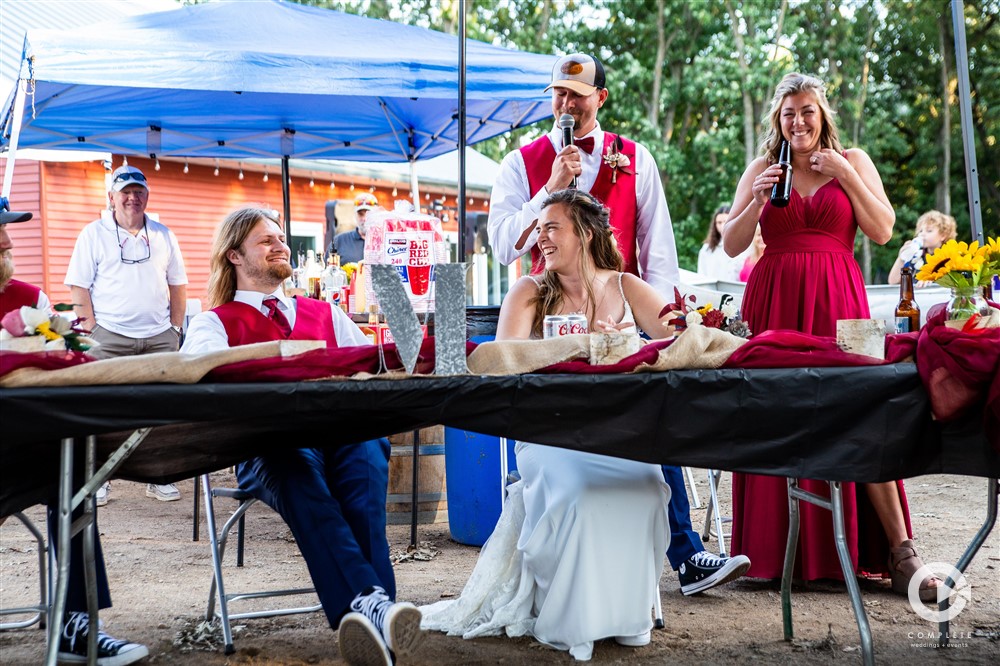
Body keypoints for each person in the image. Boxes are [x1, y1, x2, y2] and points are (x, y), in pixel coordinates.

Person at [487, 52, 749, 595]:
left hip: (617, 311)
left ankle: (686, 557)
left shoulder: (635, 157)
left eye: (577, 97)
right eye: (558, 95)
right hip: (550, 320)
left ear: (599, 100)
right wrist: (549, 188)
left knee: (654, 405)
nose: (565, 105)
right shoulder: (521, 161)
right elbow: (499, 241)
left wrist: (658, 319)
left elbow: (658, 248)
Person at [423, 189, 675, 660]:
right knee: (578, 492)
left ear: (585, 233)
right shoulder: (529, 291)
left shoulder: (628, 287)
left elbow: (677, 338)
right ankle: (574, 622)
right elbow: (502, 363)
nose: (540, 239)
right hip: (549, 432)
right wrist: (574, 347)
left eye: (551, 228)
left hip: (617, 432)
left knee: (646, 486)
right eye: (538, 231)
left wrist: (631, 346)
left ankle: (628, 616)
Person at [723, 72, 940, 600]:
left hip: (839, 300)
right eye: (788, 113)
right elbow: (731, 244)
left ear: (823, 117)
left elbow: (884, 229)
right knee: (776, 412)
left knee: (860, 410)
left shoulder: (855, 161)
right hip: (774, 300)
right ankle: (779, 551)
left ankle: (899, 551)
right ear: (778, 119)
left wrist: (843, 170)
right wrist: (753, 201)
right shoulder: (763, 168)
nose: (797, 121)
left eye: (807, 112)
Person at [180, 206, 423, 666]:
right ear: (234, 255)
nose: (281, 245)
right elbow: (205, 381)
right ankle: (375, 604)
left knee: (367, 454)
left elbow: (371, 364)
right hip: (265, 443)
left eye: (281, 237)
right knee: (295, 472)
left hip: (339, 434)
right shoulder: (214, 324)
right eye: (265, 240)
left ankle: (368, 609)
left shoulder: (326, 314)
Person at [0, 208, 149, 665]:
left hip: (18, 452)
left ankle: (76, 622)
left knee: (73, 478)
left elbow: (65, 363)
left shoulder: (31, 301)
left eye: (6, 232)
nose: (8, 244)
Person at [64, 165, 189, 504]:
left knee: (161, 410)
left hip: (159, 336)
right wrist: (90, 329)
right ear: (111, 198)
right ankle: (100, 478)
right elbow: (79, 286)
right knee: (101, 408)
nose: (132, 198)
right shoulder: (93, 233)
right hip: (109, 336)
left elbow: (178, 286)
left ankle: (160, 474)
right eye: (126, 192)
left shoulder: (164, 234)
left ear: (147, 196)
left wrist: (175, 329)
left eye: (139, 192)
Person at [887, 209, 958, 285]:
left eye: (929, 231)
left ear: (943, 235)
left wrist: (929, 280)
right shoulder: (917, 255)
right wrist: (901, 257)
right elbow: (893, 282)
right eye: (920, 231)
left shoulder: (948, 257)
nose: (922, 234)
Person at [697, 204, 744, 281]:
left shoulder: (744, 245)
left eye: (725, 221)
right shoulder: (706, 249)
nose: (722, 226)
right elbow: (701, 275)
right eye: (719, 222)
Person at [333, 193, 379, 264]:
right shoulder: (339, 241)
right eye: (360, 214)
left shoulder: (384, 242)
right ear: (355, 215)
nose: (364, 218)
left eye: (368, 213)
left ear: (377, 215)